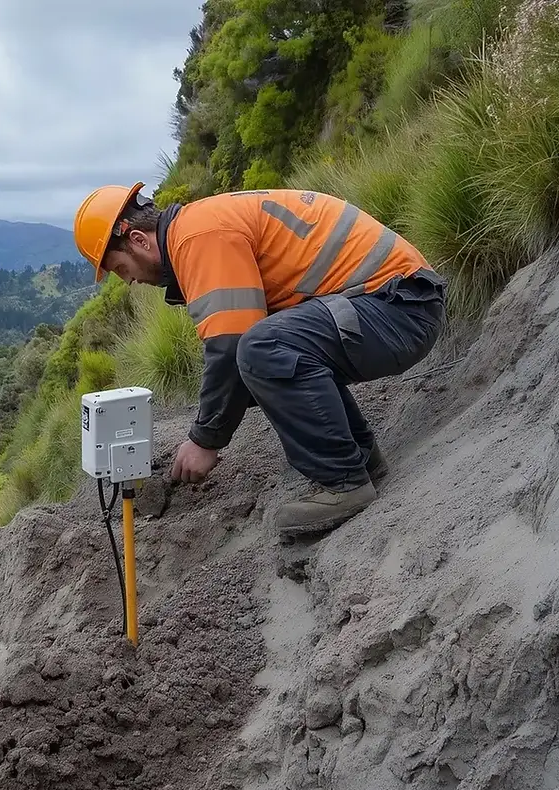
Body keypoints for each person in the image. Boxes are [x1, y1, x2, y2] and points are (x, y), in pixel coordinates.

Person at [72, 183, 446, 536]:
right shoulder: (200, 225)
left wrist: (205, 440)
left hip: (400, 308)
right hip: (393, 304)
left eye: (122, 269)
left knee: (259, 349)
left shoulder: (197, 236)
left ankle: (344, 483)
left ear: (139, 240)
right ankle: (361, 461)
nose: (131, 281)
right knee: (268, 354)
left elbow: (231, 344)